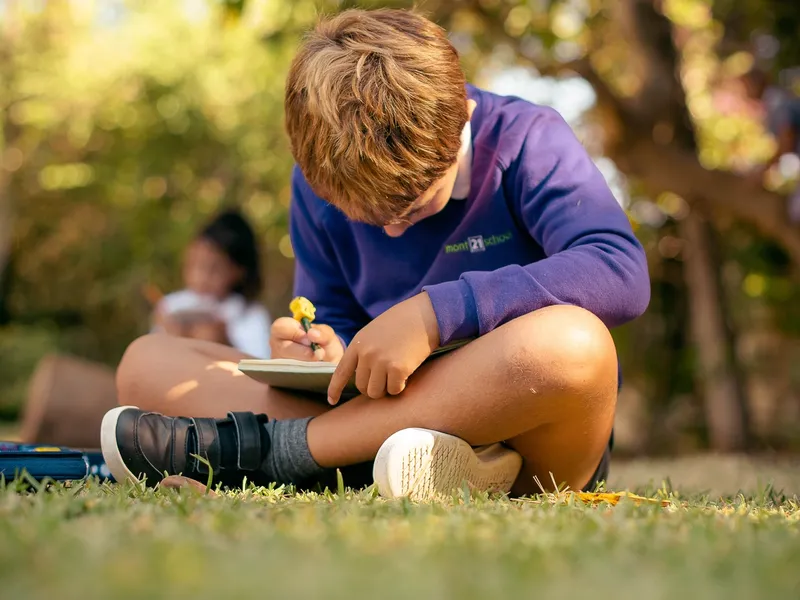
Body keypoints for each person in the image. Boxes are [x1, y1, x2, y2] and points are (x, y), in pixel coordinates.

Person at [99, 8, 650, 500]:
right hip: (374, 416)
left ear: (459, 118)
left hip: (526, 428)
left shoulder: (526, 138)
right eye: (364, 216)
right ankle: (412, 462)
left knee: (573, 346)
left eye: (411, 208)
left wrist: (435, 315)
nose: (388, 232)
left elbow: (618, 269)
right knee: (148, 362)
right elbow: (329, 312)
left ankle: (285, 454)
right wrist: (317, 349)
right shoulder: (317, 179)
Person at [153, 209, 272, 358]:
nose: (200, 278)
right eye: (192, 265)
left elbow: (260, 364)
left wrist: (224, 343)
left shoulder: (250, 315)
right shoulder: (171, 305)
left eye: (213, 270)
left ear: (238, 271)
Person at [740, 67, 800, 220]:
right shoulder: (775, 100)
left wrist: (764, 171)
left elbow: (787, 138)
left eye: (746, 86)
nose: (745, 92)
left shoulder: (776, 101)